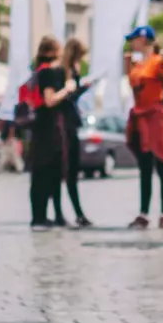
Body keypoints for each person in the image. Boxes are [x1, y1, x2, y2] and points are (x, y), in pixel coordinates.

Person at [123, 25, 163, 229]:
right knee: (145, 167)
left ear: (145, 40)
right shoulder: (136, 64)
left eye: (135, 39)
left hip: (156, 116)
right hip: (140, 117)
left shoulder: (158, 61)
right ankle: (144, 213)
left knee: (162, 165)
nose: (131, 43)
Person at [24, 37, 75, 229]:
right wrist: (67, 89)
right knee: (48, 171)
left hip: (39, 127)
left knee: (41, 173)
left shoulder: (37, 70)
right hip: (48, 128)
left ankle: (40, 216)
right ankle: (41, 217)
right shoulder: (50, 72)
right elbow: (50, 100)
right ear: (54, 50)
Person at [56, 38, 93, 227]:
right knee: (67, 170)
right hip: (65, 125)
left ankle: (74, 212)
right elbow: (66, 99)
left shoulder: (70, 71)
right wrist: (80, 90)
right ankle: (65, 213)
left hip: (70, 123)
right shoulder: (64, 72)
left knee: (71, 171)